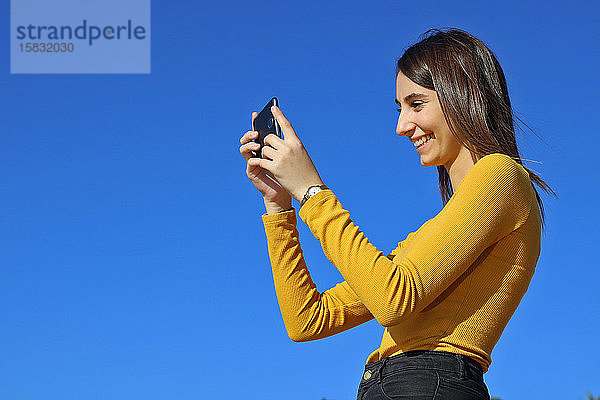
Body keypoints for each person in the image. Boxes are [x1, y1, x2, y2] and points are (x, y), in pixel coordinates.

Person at [238, 27, 556, 400]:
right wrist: (279, 205)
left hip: (426, 382)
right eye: (400, 108)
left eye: (416, 104)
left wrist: (312, 192)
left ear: (463, 94)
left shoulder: (499, 174)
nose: (402, 126)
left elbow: (392, 299)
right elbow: (307, 318)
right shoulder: (438, 235)